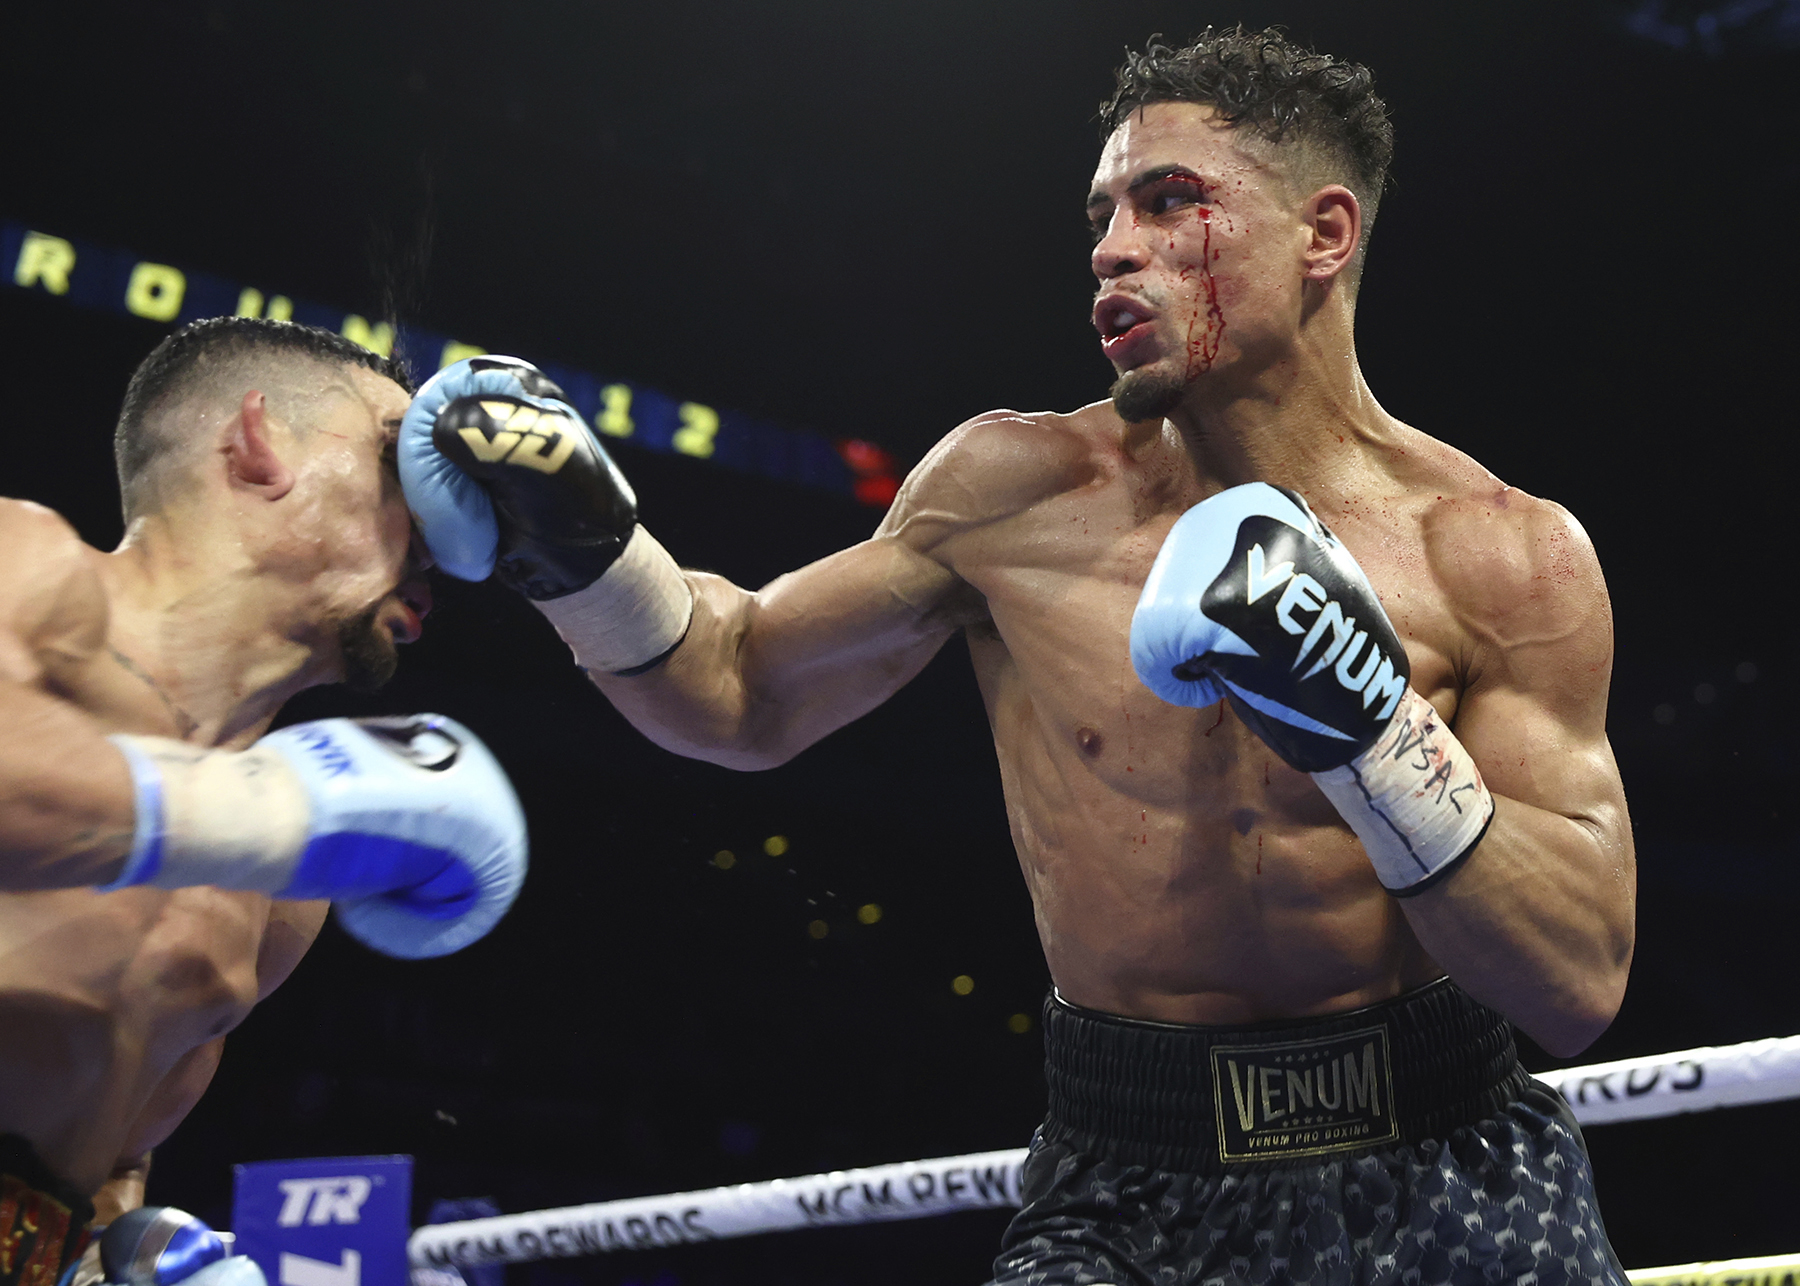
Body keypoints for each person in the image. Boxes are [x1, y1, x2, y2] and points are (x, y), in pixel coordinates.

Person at [401, 27, 1635, 1284]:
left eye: (1169, 201)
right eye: (1103, 215)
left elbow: (1577, 977)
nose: (1112, 247)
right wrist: (585, 555)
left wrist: (1371, 724)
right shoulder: (1015, 491)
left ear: (1324, 234)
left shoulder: (1501, 555)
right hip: (1131, 1171)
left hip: (1445, 1147)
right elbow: (738, 686)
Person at [0, 317, 528, 1286]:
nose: (446, 535)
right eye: (400, 465)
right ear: (257, 442)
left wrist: (132, 1249)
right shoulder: (21, 559)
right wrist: (265, 812)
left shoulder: (288, 890)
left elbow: (100, 1155)